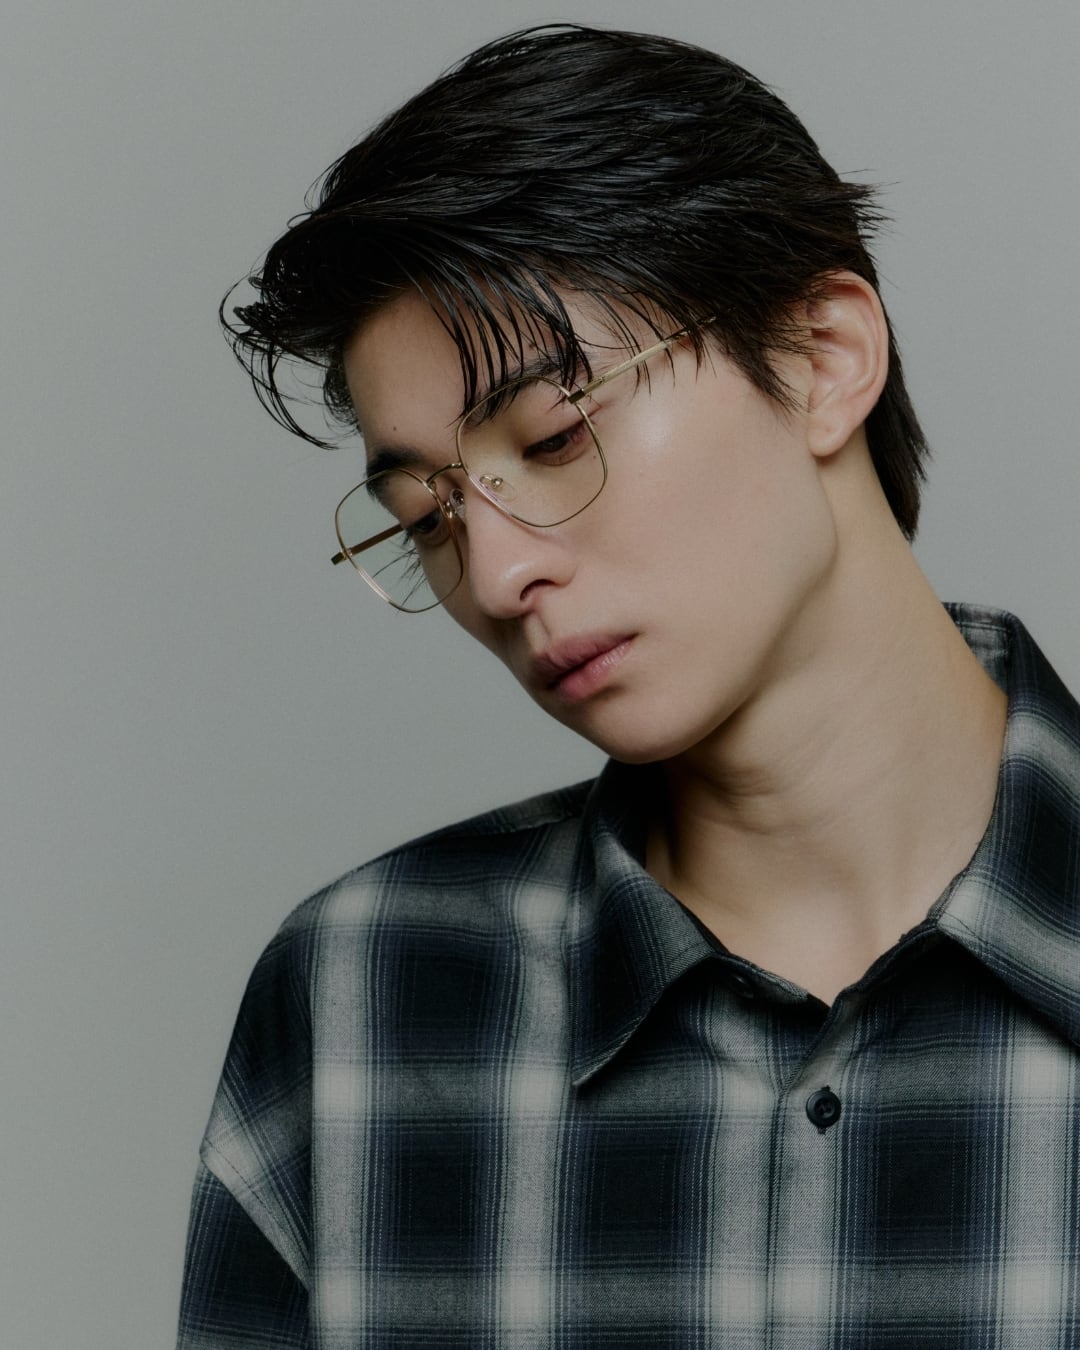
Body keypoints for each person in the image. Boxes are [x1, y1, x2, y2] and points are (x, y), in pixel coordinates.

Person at [178, 24, 1080, 1348]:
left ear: (824, 356)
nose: (497, 573)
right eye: (427, 516)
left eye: (554, 436)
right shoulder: (365, 1001)